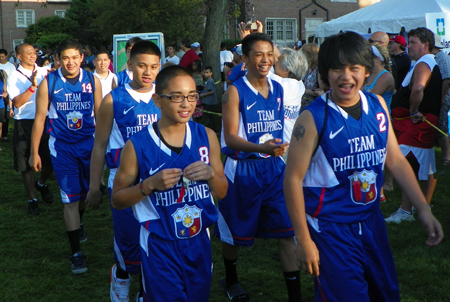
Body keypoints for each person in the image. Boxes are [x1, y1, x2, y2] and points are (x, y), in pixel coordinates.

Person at [283, 31, 443, 302]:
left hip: (371, 220)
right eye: (336, 69)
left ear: (367, 71)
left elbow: (395, 160)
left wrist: (423, 208)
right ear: (324, 73)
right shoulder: (312, 119)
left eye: (353, 68)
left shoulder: (378, 105)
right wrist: (304, 239)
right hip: (330, 227)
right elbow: (292, 180)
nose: (346, 76)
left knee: (386, 293)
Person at [111, 65, 227, 301]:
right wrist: (148, 185)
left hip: (198, 242)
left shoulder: (207, 136)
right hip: (159, 244)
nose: (186, 104)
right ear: (158, 100)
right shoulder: (138, 145)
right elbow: (117, 199)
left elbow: (222, 192)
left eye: (192, 96)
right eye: (176, 97)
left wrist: (211, 175)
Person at [214, 33, 300, 302]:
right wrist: (262, 148)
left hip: (274, 168)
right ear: (245, 59)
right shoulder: (234, 91)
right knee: (233, 234)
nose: (266, 60)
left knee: (287, 232)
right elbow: (229, 138)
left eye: (269, 54)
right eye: (259, 54)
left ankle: (295, 296)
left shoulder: (279, 88)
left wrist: (273, 149)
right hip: (242, 170)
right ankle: (231, 279)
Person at [86, 40, 162, 302]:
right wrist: (94, 187)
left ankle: (145, 292)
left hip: (159, 183)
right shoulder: (113, 100)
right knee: (128, 245)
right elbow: (99, 145)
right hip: (124, 183)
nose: (148, 72)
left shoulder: (164, 98)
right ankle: (120, 274)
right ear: (129, 65)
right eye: (141, 65)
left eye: (153, 66)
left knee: (155, 242)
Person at [29, 39, 102, 274]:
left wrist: (105, 147)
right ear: (58, 59)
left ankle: (80, 223)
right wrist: (34, 153)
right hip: (62, 148)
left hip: (88, 146)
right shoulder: (49, 82)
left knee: (83, 195)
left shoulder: (93, 81)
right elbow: (40, 119)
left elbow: (100, 116)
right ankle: (76, 254)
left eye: (75, 57)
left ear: (82, 57)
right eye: (65, 58)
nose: (70, 62)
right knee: (70, 199)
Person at [387, 27, 442, 223]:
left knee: (406, 165)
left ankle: (405, 210)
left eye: (413, 42)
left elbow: (418, 87)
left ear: (426, 45)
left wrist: (412, 111)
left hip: (416, 125)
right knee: (426, 165)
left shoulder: (424, 63)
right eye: (408, 42)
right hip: (418, 124)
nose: (408, 46)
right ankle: (423, 205)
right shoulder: (424, 62)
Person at [7, 43, 54, 215]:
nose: (33, 56)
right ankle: (32, 198)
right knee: (26, 163)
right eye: (28, 53)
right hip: (25, 122)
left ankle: (41, 183)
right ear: (19, 57)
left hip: (46, 119)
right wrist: (33, 86)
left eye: (34, 53)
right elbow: (17, 103)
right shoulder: (14, 77)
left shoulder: (44, 72)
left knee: (49, 160)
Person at [431, 33, 450, 166]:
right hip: (438, 96)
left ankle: (446, 158)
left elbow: (447, 80)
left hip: (443, 97)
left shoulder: (441, 57)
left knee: (441, 127)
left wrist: (442, 98)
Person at [364, 45, 395, 112]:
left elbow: (370, 100)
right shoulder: (370, 74)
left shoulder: (385, 76)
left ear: (378, 59)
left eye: (368, 57)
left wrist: (365, 94)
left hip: (382, 119)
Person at [301, 43, 324, 111]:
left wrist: (302, 90)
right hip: (302, 107)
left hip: (313, 108)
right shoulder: (306, 68)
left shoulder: (318, 70)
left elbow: (322, 91)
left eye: (303, 54)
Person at [200, 65, 217, 131]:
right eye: (204, 72)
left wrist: (203, 95)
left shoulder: (210, 81)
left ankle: (213, 130)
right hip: (206, 101)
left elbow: (212, 91)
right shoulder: (207, 81)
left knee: (210, 117)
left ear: (211, 73)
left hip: (209, 102)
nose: (205, 74)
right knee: (208, 117)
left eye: (207, 72)